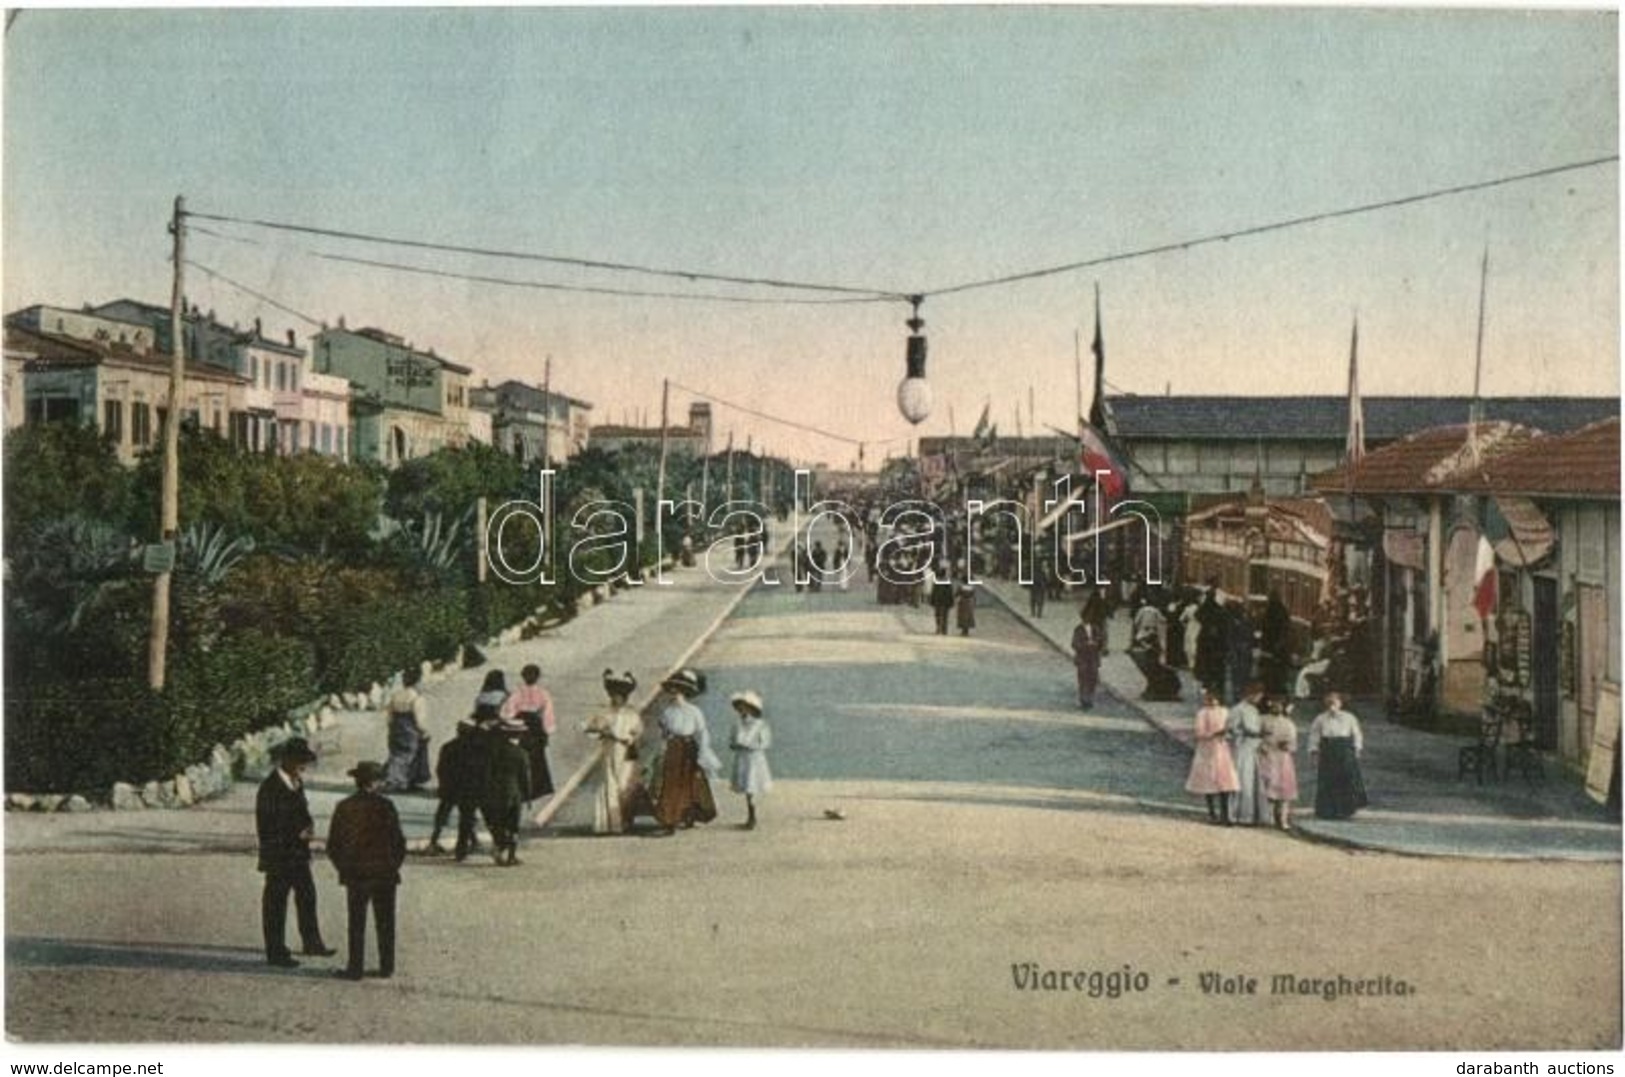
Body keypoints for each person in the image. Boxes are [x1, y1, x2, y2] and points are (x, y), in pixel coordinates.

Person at [255, 738, 335, 967]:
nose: (304, 767)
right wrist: (296, 834)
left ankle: (312, 942)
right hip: (279, 855)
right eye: (300, 762)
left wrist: (308, 826)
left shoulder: (295, 782)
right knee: (276, 903)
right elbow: (268, 825)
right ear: (287, 760)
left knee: (307, 896)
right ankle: (275, 950)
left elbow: (302, 811)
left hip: (297, 854)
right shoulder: (270, 788)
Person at [326, 761, 406, 980]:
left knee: (356, 923)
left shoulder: (345, 806)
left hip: (357, 874)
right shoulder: (387, 806)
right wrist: (392, 865)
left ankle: (355, 968)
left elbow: (333, 845)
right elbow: (399, 842)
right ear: (376, 782)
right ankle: (386, 966)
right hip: (385, 874)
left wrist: (345, 868)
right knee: (386, 922)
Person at [650, 668, 720, 834]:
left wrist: (703, 751)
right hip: (674, 749)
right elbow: (665, 733)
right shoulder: (667, 712)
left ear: (686, 692)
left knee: (690, 783)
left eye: (679, 691)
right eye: (673, 690)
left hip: (689, 748)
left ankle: (688, 815)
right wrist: (663, 748)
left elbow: (702, 732)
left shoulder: (694, 712)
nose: (675, 694)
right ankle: (670, 820)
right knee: (671, 784)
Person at [582, 669, 646, 835]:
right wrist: (601, 733)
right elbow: (590, 729)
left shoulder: (631, 714)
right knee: (608, 784)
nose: (615, 698)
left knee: (624, 785)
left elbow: (637, 733)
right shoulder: (604, 713)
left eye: (619, 695)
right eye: (613, 695)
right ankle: (607, 824)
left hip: (625, 753)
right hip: (609, 751)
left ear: (625, 697)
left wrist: (626, 738)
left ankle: (623, 821)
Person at [427, 720, 485, 860]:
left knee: (442, 815)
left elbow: (441, 769)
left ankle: (434, 841)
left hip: (450, 787)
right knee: (467, 817)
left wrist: (443, 785)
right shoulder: (477, 749)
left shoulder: (448, 747)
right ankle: (467, 845)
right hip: (468, 788)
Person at [1308, 691, 1368, 820]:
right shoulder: (1320, 718)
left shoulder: (1349, 717)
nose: (1331, 706)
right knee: (1328, 780)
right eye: (1329, 703)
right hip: (1328, 750)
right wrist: (1314, 751)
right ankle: (1327, 810)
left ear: (1340, 703)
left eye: (1334, 703)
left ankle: (1346, 810)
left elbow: (1357, 734)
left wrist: (1357, 748)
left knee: (1345, 778)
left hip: (1344, 749)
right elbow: (1314, 735)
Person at [501, 663, 557, 802]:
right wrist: (548, 730)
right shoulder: (543, 693)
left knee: (523, 757)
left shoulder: (517, 693)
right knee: (537, 758)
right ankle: (537, 788)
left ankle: (523, 788)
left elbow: (509, 712)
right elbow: (547, 714)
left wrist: (512, 722)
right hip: (535, 728)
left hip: (522, 727)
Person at [1185, 688, 1239, 825]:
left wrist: (1228, 734)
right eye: (1209, 698)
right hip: (1207, 750)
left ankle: (1226, 815)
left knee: (1226, 781)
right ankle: (1212, 813)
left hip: (1222, 749)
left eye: (1215, 698)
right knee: (1209, 782)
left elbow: (1231, 728)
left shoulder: (1225, 712)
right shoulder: (1202, 713)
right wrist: (1214, 734)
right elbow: (1199, 732)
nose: (1212, 701)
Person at [482, 721, 531, 865]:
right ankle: (511, 855)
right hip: (514, 794)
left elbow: (487, 773)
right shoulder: (522, 753)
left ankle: (498, 849)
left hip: (495, 793)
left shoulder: (494, 751)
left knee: (499, 824)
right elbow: (525, 778)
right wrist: (527, 796)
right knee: (513, 826)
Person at [728, 690, 773, 830]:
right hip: (742, 759)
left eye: (745, 707)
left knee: (751, 786)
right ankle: (750, 816)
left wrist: (749, 745)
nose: (742, 710)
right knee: (747, 788)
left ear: (752, 709)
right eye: (740, 707)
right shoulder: (737, 724)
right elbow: (731, 742)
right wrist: (735, 745)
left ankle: (752, 817)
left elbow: (765, 743)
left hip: (754, 760)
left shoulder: (760, 725)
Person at [1225, 682, 1268, 826]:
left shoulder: (1254, 710)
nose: (1258, 699)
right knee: (1240, 780)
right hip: (1241, 748)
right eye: (1256, 695)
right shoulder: (1238, 709)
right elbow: (1231, 729)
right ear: (1249, 694)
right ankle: (1234, 815)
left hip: (1252, 748)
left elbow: (1258, 728)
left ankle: (1249, 815)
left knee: (1251, 782)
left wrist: (1260, 739)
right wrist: (1245, 732)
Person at [382, 668, 431, 793]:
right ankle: (399, 781)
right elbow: (419, 719)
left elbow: (389, 716)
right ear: (417, 681)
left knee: (396, 754)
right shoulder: (416, 698)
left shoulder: (396, 695)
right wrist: (424, 731)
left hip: (396, 728)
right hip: (410, 730)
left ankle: (400, 780)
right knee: (409, 756)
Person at [1258, 698, 1300, 831]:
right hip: (1268, 755)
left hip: (1283, 757)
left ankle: (1282, 818)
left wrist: (1288, 746)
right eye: (1274, 704)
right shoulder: (1263, 720)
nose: (1276, 707)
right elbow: (1257, 736)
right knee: (1269, 784)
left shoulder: (1288, 723)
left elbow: (1293, 742)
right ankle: (1268, 817)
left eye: (1279, 705)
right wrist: (1262, 745)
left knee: (1284, 787)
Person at [1194, 585, 1229, 696]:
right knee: (1217, 667)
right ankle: (1218, 689)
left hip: (1205, 641)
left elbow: (1197, 616)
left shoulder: (1204, 608)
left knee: (1205, 665)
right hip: (1217, 643)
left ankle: (1207, 686)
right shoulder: (1220, 610)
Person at [1071, 605, 1104, 710]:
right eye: (1086, 617)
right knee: (1083, 678)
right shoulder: (1078, 629)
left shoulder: (1096, 629)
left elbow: (1101, 641)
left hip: (1093, 657)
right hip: (1083, 658)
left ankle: (1090, 698)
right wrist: (1085, 645)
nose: (1087, 619)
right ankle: (1083, 699)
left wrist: (1096, 644)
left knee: (1093, 678)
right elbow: (1074, 643)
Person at [1226, 599, 1256, 704]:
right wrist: (1232, 650)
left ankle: (1242, 694)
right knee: (1237, 674)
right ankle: (1237, 694)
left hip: (1246, 651)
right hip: (1238, 651)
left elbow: (1252, 635)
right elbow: (1230, 637)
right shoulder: (1234, 621)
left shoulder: (1250, 620)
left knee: (1245, 674)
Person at [929, 562, 955, 636]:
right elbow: (950, 593)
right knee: (945, 616)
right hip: (946, 602)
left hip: (938, 601)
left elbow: (933, 592)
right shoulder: (948, 582)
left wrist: (932, 601)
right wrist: (951, 602)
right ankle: (944, 629)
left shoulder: (936, 582)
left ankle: (938, 628)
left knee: (938, 615)